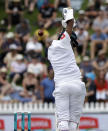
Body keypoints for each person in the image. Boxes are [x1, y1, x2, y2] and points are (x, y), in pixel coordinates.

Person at [48, 8, 86, 131]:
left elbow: (51, 74)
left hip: (62, 87)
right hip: (77, 86)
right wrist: (68, 13)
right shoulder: (64, 43)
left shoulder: (51, 50)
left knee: (63, 123)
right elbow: (69, 26)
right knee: (73, 123)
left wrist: (65, 26)